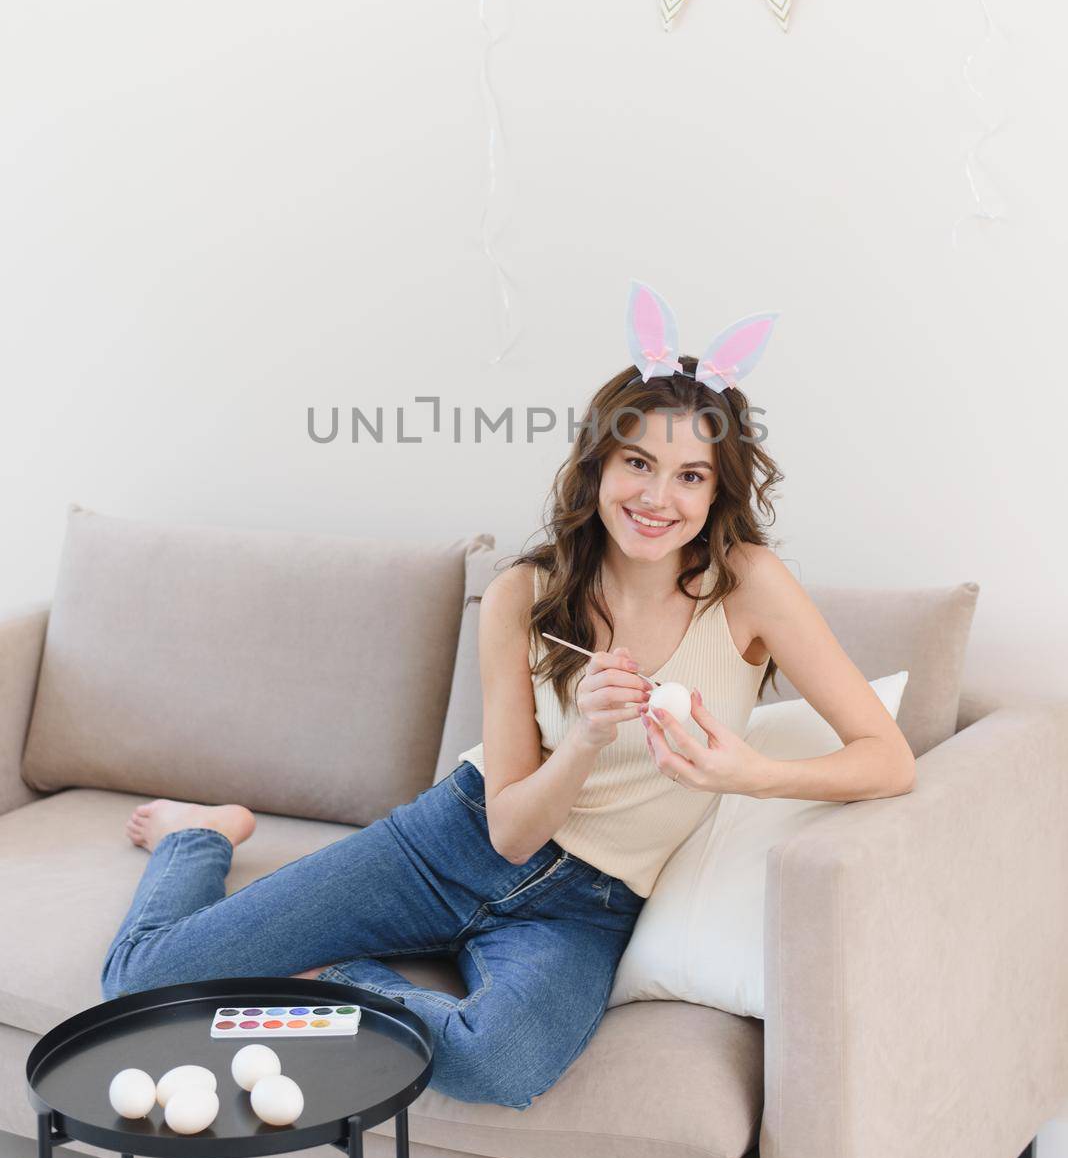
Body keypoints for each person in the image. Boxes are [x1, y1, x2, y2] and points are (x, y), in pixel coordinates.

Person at [100, 329, 914, 1110]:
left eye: (692, 475)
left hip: (587, 907)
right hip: (450, 844)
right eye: (638, 462)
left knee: (500, 1063)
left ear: (717, 489)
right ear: (598, 464)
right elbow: (512, 834)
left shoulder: (749, 585)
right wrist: (587, 737)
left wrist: (754, 776)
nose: (659, 498)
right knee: (138, 984)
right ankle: (198, 836)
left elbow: (888, 759)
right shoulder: (522, 594)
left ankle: (338, 978)